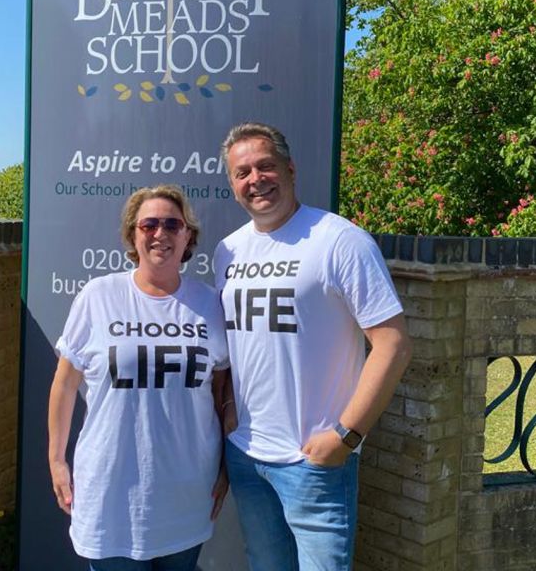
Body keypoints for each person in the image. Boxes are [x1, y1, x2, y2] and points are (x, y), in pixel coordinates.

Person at [213, 122, 412, 571]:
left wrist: (346, 436)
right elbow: (231, 343)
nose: (255, 179)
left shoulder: (339, 240)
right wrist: (227, 406)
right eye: (242, 172)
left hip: (314, 462)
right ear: (232, 184)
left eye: (265, 166)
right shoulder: (228, 251)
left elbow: (393, 344)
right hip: (246, 455)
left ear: (290, 168)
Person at [48, 185, 231, 571]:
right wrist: (56, 461)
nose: (160, 233)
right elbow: (64, 385)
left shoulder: (210, 304)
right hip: (110, 498)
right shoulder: (98, 296)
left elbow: (222, 392)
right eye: (148, 225)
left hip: (186, 495)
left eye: (171, 224)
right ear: (133, 235)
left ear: (188, 236)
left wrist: (227, 464)